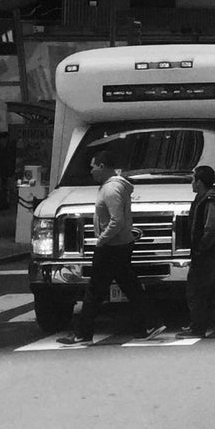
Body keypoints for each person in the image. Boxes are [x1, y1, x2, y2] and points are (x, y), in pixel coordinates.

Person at [57, 147, 162, 344]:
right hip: (120, 244)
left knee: (95, 290)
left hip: (112, 246)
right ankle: (152, 322)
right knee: (130, 286)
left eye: (93, 166)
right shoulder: (115, 187)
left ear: (103, 166)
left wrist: (101, 239)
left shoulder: (111, 189)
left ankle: (82, 332)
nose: (91, 171)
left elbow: (117, 220)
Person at [185, 165, 215, 338]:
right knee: (203, 289)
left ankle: (198, 328)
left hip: (208, 254)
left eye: (193, 179)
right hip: (208, 253)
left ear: (200, 182)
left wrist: (201, 247)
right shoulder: (204, 197)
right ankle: (203, 323)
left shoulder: (210, 201)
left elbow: (211, 229)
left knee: (196, 290)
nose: (191, 183)